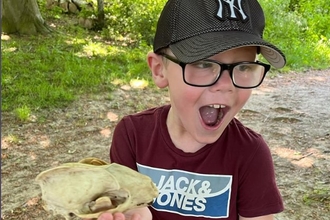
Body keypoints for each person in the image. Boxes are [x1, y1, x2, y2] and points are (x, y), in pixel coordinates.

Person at [95, 0, 286, 219]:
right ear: (159, 69)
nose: (226, 85)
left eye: (243, 67)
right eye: (203, 64)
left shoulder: (251, 154)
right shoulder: (132, 136)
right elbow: (126, 203)